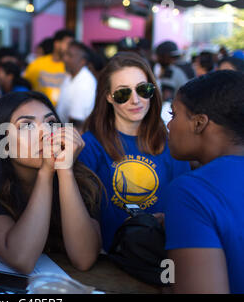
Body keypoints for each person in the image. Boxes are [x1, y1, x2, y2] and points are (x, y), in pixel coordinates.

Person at [0, 91, 103, 274]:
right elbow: (21, 259)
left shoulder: (82, 180)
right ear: (3, 144)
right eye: (26, 126)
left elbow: (84, 259)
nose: (46, 133)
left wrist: (65, 170)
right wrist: (45, 173)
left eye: (51, 123)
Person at [78, 52, 190, 252]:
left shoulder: (172, 143)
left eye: (143, 89)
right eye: (123, 93)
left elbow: (183, 206)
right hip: (107, 260)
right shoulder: (89, 146)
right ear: (108, 97)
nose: (135, 100)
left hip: (159, 256)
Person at [163, 70, 244, 293]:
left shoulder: (191, 191)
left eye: (173, 115)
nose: (168, 126)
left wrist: (166, 276)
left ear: (199, 123)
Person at [23, 29, 74, 106]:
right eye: (67, 44)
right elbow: (25, 86)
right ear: (56, 43)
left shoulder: (71, 66)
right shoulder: (38, 63)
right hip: (39, 110)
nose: (69, 47)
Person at [56, 41, 97, 133]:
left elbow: (76, 122)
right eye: (65, 54)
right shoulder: (69, 77)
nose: (65, 58)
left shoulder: (85, 82)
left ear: (82, 61)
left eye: (70, 56)